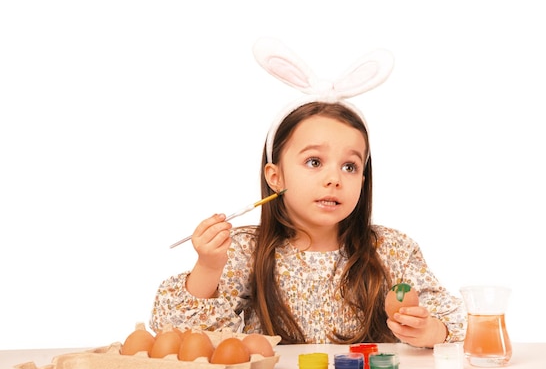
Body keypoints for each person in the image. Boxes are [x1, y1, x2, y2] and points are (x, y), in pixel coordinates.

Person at [150, 39, 466, 347]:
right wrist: (208, 266)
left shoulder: (392, 249)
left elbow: (452, 315)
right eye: (314, 161)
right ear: (275, 177)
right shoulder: (244, 252)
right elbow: (177, 331)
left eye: (350, 167)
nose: (334, 178)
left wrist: (431, 330)